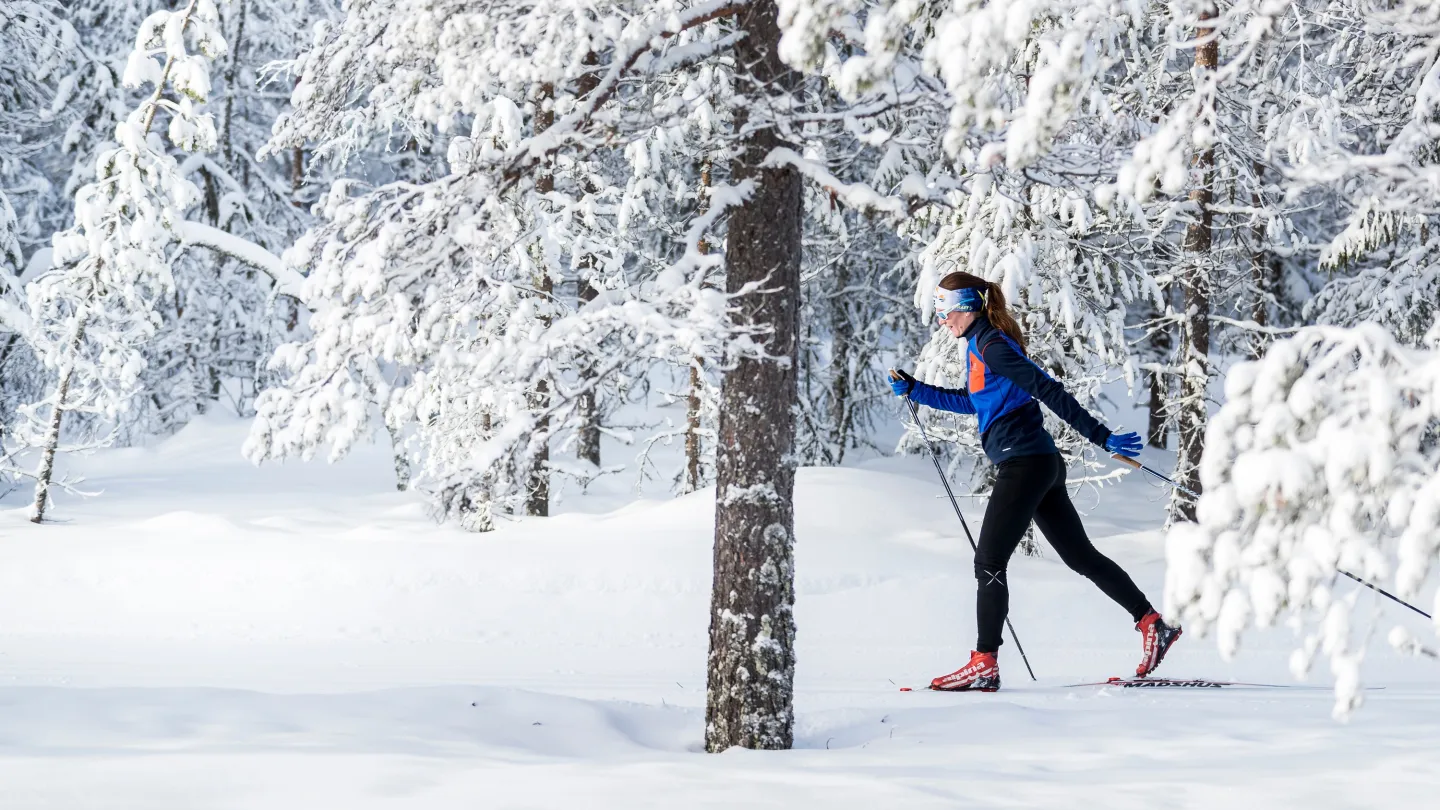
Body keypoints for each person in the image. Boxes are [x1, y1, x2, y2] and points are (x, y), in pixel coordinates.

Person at [889, 271, 1182, 691]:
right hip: (1038, 462)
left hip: (1024, 464)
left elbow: (1046, 388)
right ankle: (1153, 623)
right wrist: (916, 390)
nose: (942, 321)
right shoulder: (981, 345)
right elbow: (973, 401)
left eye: (945, 311)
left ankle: (984, 662)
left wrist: (1101, 436)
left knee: (988, 562)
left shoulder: (991, 346)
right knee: (1080, 557)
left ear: (967, 307)